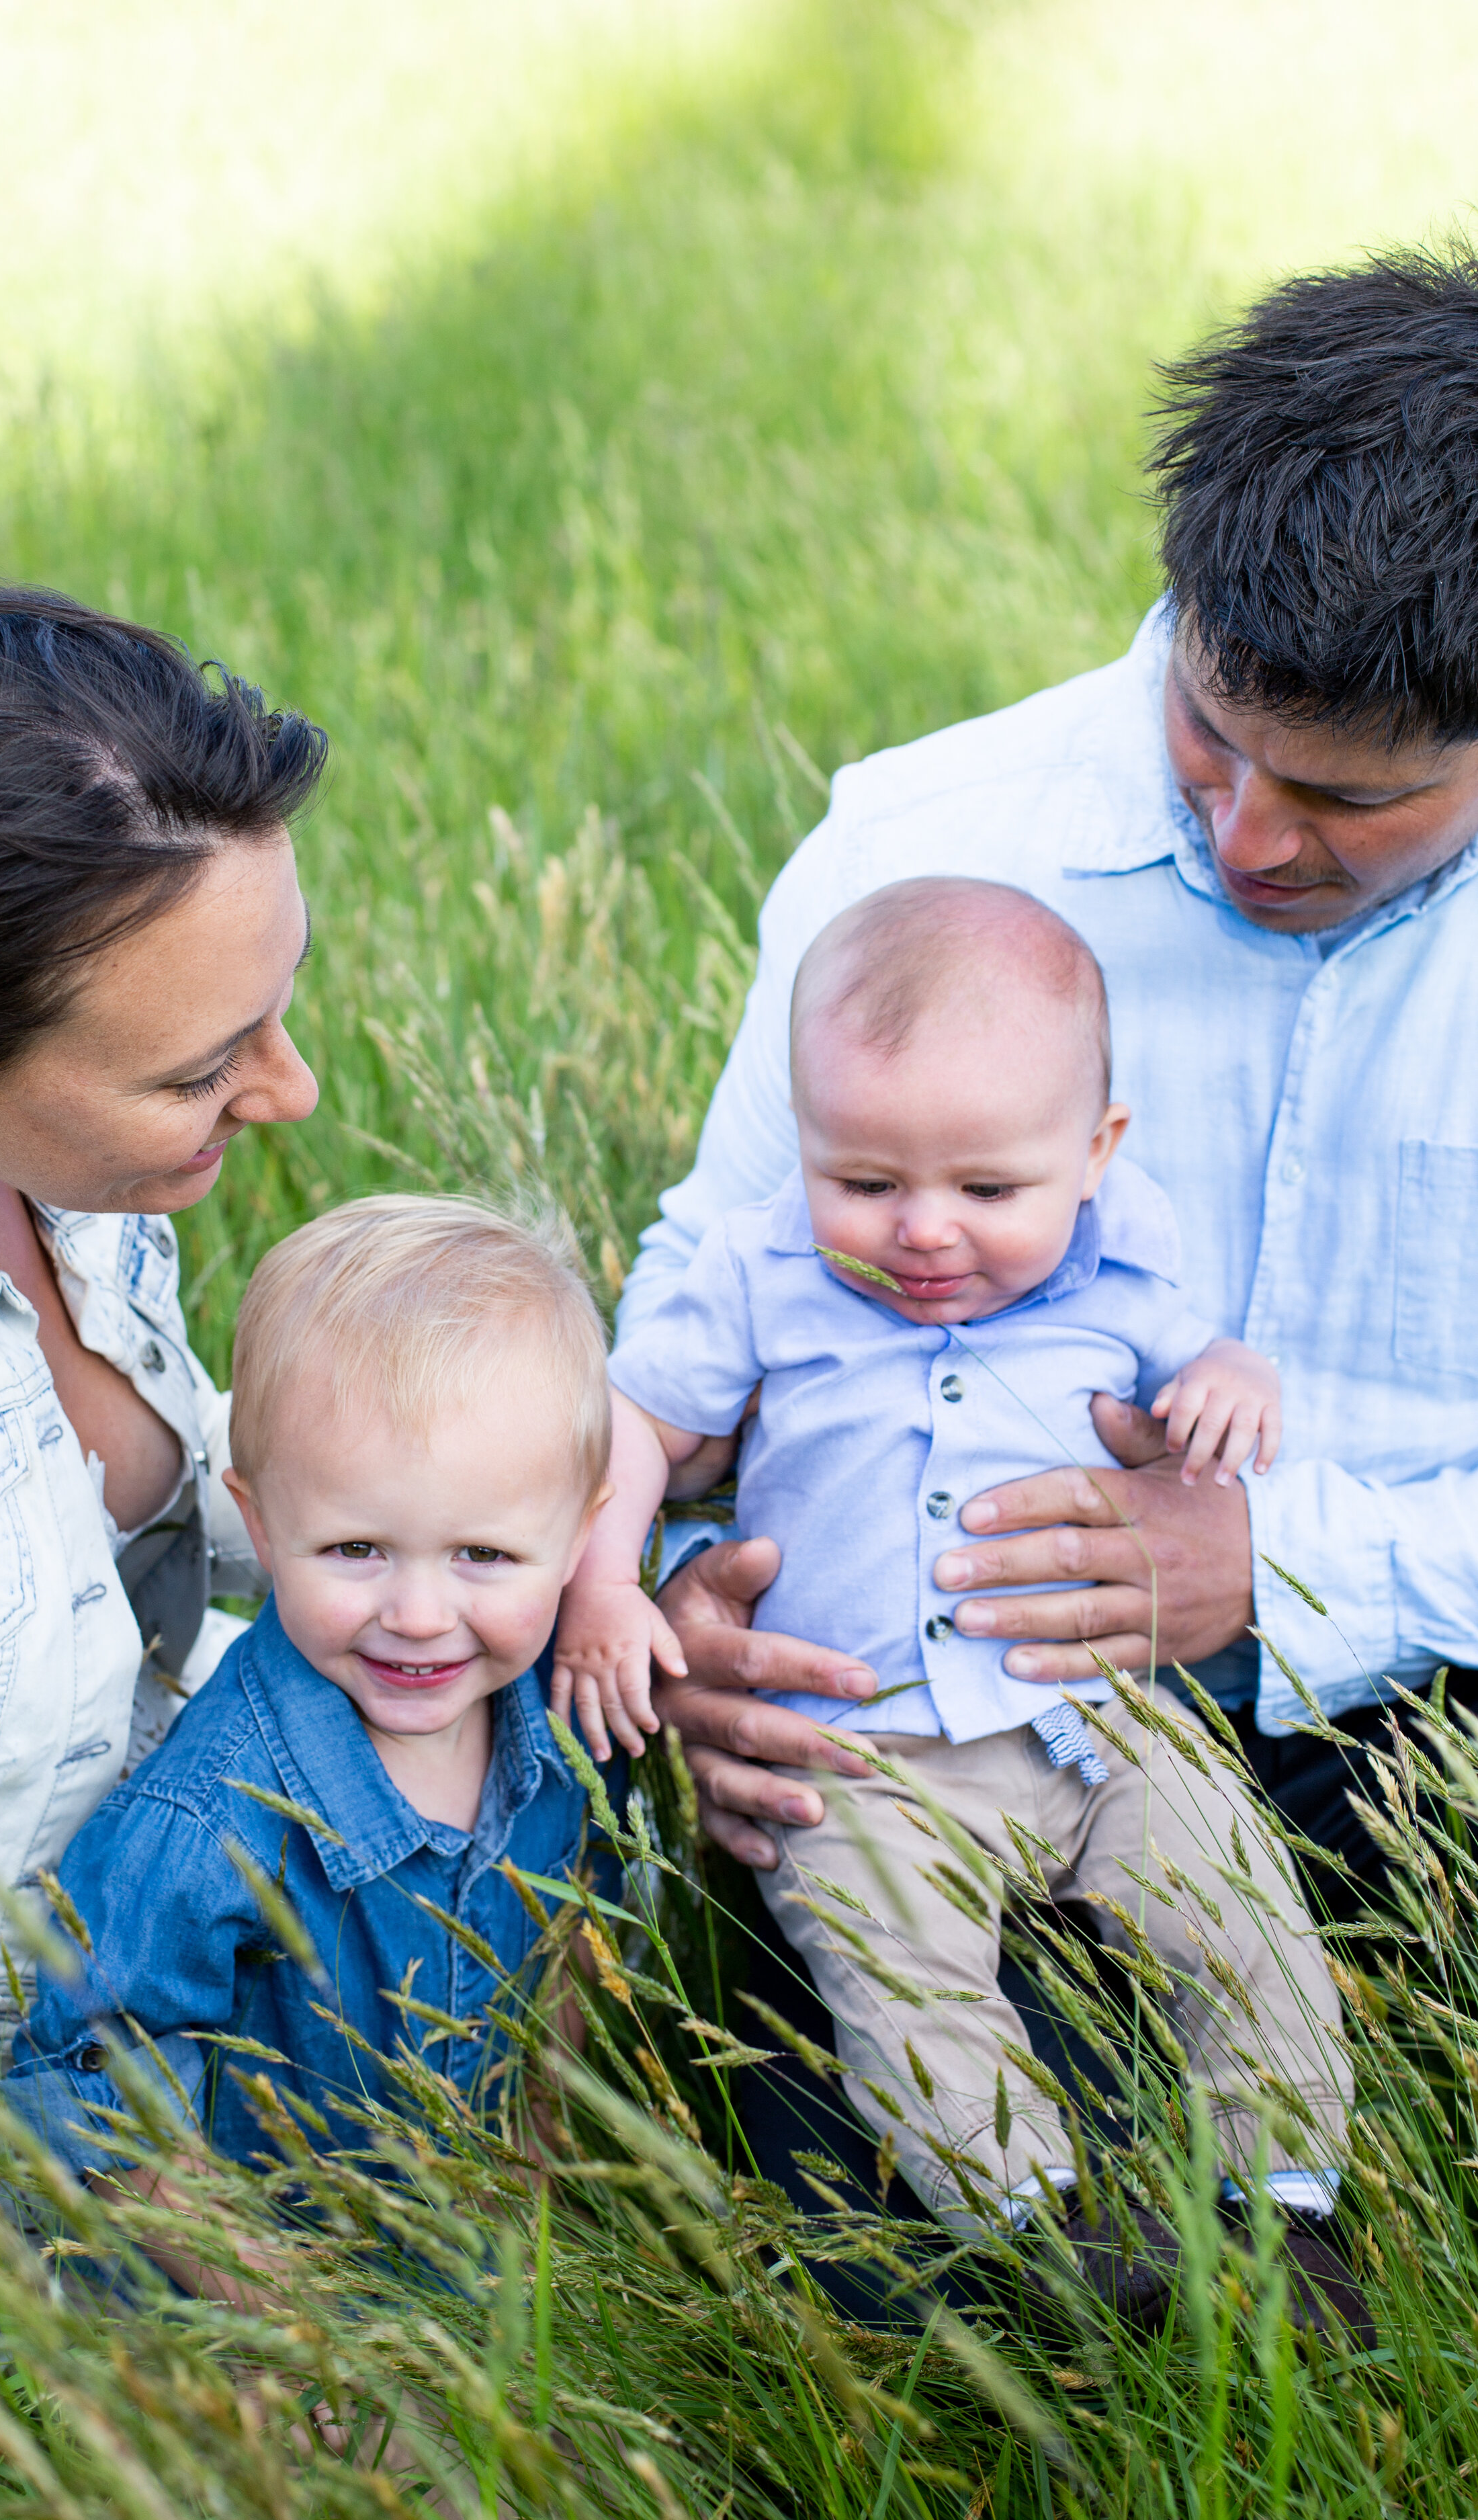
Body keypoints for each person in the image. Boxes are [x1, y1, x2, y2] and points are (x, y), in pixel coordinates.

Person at [636, 244, 1478, 1908]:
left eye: (1336, 801)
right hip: (952, 1712)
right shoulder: (918, 850)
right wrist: (694, 1603)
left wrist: (1286, 1568)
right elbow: (715, 1319)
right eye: (1205, 731)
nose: (1244, 834)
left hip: (1433, 1674)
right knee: (927, 2153)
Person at [553, 880, 1354, 2322]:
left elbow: (1203, 1369)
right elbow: (637, 1426)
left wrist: (1231, 1387)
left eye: (986, 1191)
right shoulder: (762, 1273)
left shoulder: (1118, 1268)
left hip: (1093, 1723)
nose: (923, 1232)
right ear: (803, 1147)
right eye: (862, 1181)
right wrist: (607, 1582)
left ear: (1094, 1155)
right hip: (859, 1757)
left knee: (1238, 1907)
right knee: (896, 1981)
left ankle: (1279, 2202)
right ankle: (1044, 2226)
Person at [0, 587, 325, 2300]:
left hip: (136, 2045)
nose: (288, 1091)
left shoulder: (56, 1189)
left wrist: (570, 1510)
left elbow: (112, 1522)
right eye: (199, 1071)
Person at [3, 1196, 612, 2244]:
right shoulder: (214, 1815)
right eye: (354, 1549)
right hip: (269, 2317)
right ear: (261, 1520)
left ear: (579, 1535)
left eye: (484, 1555)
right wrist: (274, 2320)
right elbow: (82, 2082)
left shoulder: (555, 1714)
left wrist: (538, 2169)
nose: (419, 1617)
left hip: (478, 2270)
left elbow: (563, 1932)